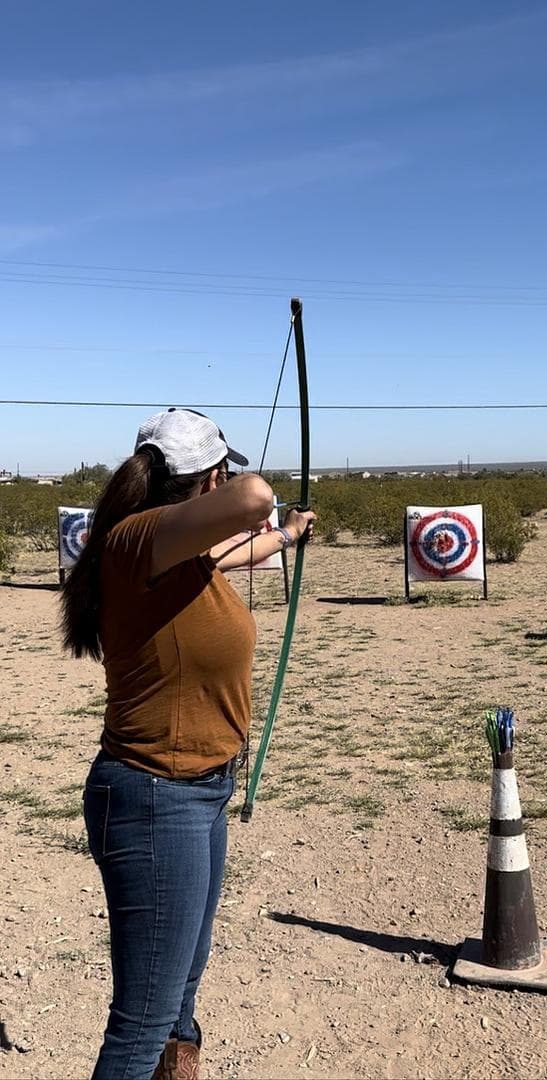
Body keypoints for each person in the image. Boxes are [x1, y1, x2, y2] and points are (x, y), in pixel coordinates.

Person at [60, 407, 315, 1080]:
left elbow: (242, 543)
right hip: (152, 797)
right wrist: (249, 494)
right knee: (142, 1022)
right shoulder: (139, 537)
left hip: (199, 791)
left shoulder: (177, 555)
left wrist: (287, 534)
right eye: (220, 471)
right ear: (208, 478)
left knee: (178, 999)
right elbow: (254, 497)